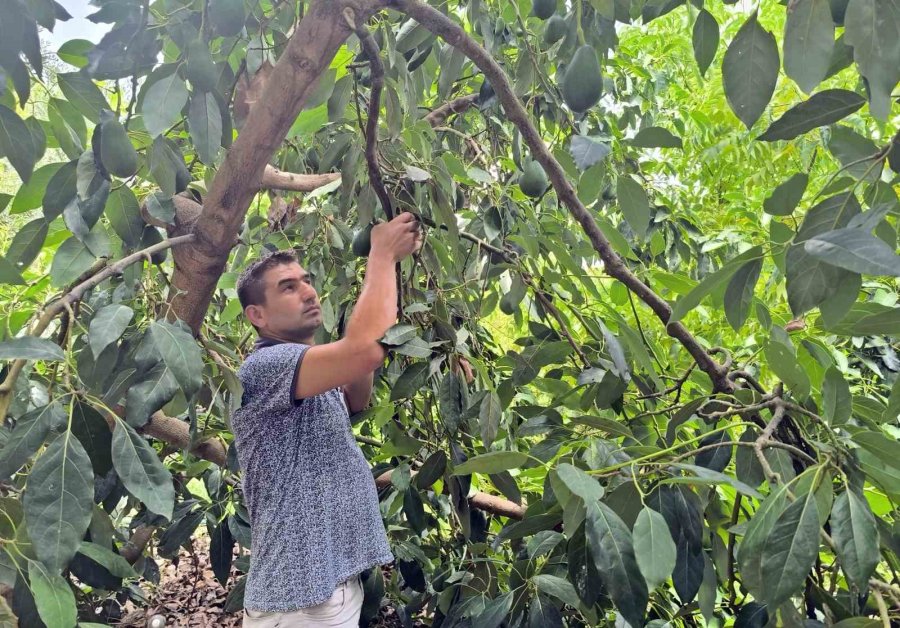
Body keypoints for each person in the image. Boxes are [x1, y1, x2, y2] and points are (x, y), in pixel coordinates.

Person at [231, 212, 423, 627]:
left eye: (305, 280)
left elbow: (357, 396)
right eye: (287, 287)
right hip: (301, 600)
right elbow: (365, 353)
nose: (307, 291)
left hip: (325, 588)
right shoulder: (264, 367)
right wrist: (382, 256)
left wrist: (361, 327)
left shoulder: (305, 371)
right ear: (257, 316)